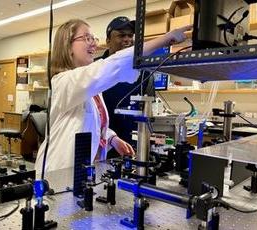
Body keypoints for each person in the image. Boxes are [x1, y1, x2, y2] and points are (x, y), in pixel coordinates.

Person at [35, 19, 191, 173]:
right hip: (57, 173)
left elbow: (89, 124)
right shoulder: (62, 82)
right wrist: (164, 39)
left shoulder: (90, 89)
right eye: (87, 38)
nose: (93, 43)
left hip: (81, 171)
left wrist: (112, 139)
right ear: (67, 46)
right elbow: (111, 65)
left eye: (93, 38)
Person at [97, 16, 140, 159]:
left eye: (130, 35)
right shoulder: (95, 69)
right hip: (102, 146)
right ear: (108, 41)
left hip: (131, 146)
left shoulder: (142, 71)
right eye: (121, 35)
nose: (127, 39)